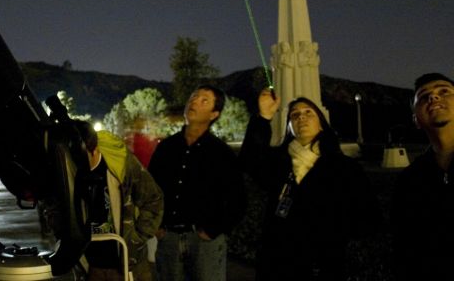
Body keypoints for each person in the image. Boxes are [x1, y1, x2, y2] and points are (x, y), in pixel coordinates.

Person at [238, 89, 380, 280]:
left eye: (308, 113)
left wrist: (334, 237)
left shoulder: (345, 167)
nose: (301, 117)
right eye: (294, 115)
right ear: (289, 127)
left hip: (322, 266)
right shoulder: (278, 162)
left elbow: (368, 216)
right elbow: (250, 160)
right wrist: (264, 117)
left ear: (322, 124)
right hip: (277, 264)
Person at [148, 85, 246, 281]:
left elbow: (238, 198)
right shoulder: (167, 147)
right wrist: (157, 226)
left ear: (214, 114)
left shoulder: (221, 152)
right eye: (193, 97)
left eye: (204, 100)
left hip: (204, 241)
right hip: (169, 237)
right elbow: (151, 189)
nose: (194, 101)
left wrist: (214, 230)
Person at [73, 120, 164, 281]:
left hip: (127, 264)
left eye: (81, 157)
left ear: (94, 149)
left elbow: (153, 199)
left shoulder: (120, 164)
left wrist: (136, 239)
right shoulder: (70, 167)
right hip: (90, 266)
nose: (77, 164)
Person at [392, 73, 454, 280]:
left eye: (444, 91)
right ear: (415, 119)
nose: (434, 97)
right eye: (424, 96)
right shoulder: (409, 181)